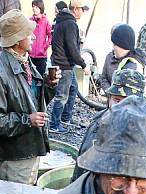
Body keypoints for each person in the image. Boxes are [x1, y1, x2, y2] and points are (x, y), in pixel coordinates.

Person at [0, 11, 58, 186]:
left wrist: (49, 84)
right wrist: (27, 120)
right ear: (16, 41)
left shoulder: (24, 61)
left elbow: (33, 100)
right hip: (14, 157)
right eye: (28, 33)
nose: (33, 36)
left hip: (29, 149)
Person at [71, 67, 146, 183]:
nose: (121, 107)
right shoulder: (98, 121)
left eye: (128, 102)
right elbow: (82, 158)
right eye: (117, 100)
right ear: (109, 99)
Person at [48, 0, 89, 133]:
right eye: (83, 10)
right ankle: (54, 124)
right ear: (76, 9)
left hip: (61, 62)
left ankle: (66, 117)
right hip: (64, 65)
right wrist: (84, 65)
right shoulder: (70, 23)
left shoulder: (61, 20)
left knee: (73, 89)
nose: (83, 13)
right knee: (62, 95)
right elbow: (72, 48)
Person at [99, 24, 145, 93]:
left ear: (123, 46)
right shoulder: (109, 57)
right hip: (111, 100)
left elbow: (128, 95)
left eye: (115, 45)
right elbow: (103, 78)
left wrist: (114, 96)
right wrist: (109, 92)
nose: (113, 48)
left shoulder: (133, 65)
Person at [29, 0, 51, 76]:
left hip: (41, 56)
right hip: (30, 55)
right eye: (33, 7)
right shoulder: (30, 20)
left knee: (41, 78)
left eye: (36, 7)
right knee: (30, 78)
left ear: (40, 8)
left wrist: (44, 47)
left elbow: (51, 35)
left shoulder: (46, 21)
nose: (34, 9)